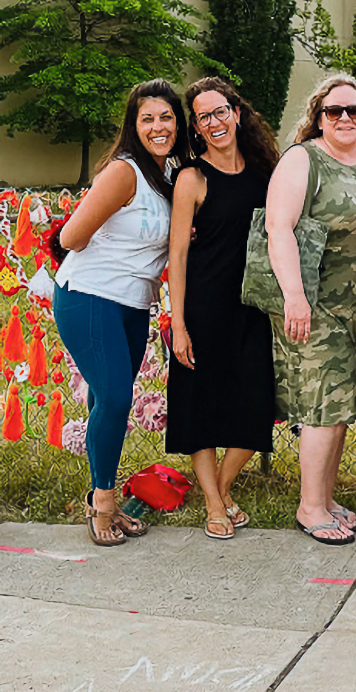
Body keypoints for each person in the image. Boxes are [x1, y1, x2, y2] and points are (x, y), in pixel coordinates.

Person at [53, 79, 184, 546]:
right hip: (90, 296)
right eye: (146, 118)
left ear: (177, 122)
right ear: (133, 125)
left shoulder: (167, 175)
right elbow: (69, 238)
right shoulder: (124, 172)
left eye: (166, 116)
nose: (157, 126)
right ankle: (103, 504)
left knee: (104, 400)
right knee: (115, 399)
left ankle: (97, 493)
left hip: (133, 304)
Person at [267, 74, 356, 545]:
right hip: (315, 302)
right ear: (317, 118)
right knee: (324, 405)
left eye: (353, 111)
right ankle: (310, 506)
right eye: (333, 111)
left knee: (343, 407)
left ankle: (326, 496)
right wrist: (295, 297)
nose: (344, 118)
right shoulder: (302, 159)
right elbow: (279, 229)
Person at [167, 77, 278, 540]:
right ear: (196, 126)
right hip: (204, 307)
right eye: (203, 116)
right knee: (201, 408)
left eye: (220, 111)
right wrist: (178, 323)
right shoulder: (192, 178)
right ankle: (215, 503)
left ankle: (223, 487)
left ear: (236, 112)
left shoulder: (264, 173)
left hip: (253, 308)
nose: (213, 122)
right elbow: (176, 255)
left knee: (256, 406)